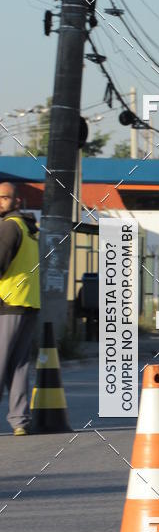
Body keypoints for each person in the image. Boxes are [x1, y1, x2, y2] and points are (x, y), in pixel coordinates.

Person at [0, 180, 41, 434]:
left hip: (8, 303)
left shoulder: (9, 227)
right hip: (28, 303)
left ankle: (19, 419)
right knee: (18, 365)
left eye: (3, 198)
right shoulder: (30, 228)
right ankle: (20, 421)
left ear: (16, 201)